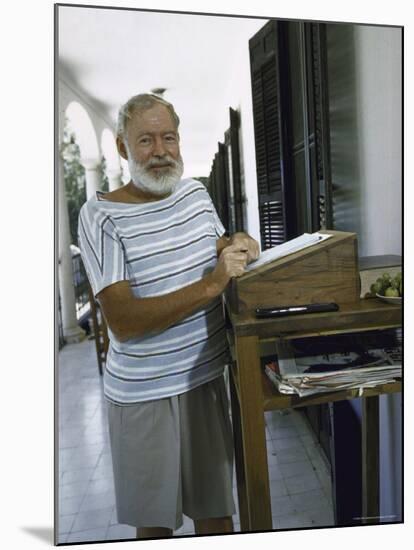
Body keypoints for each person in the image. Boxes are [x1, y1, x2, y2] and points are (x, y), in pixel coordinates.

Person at [78, 93, 260, 539]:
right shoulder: (100, 215)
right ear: (123, 148)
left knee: (217, 517)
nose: (160, 151)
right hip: (144, 396)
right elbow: (123, 319)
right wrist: (212, 285)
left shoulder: (195, 193)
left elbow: (217, 245)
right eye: (145, 141)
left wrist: (240, 240)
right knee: (156, 528)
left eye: (168, 138)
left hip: (204, 381)